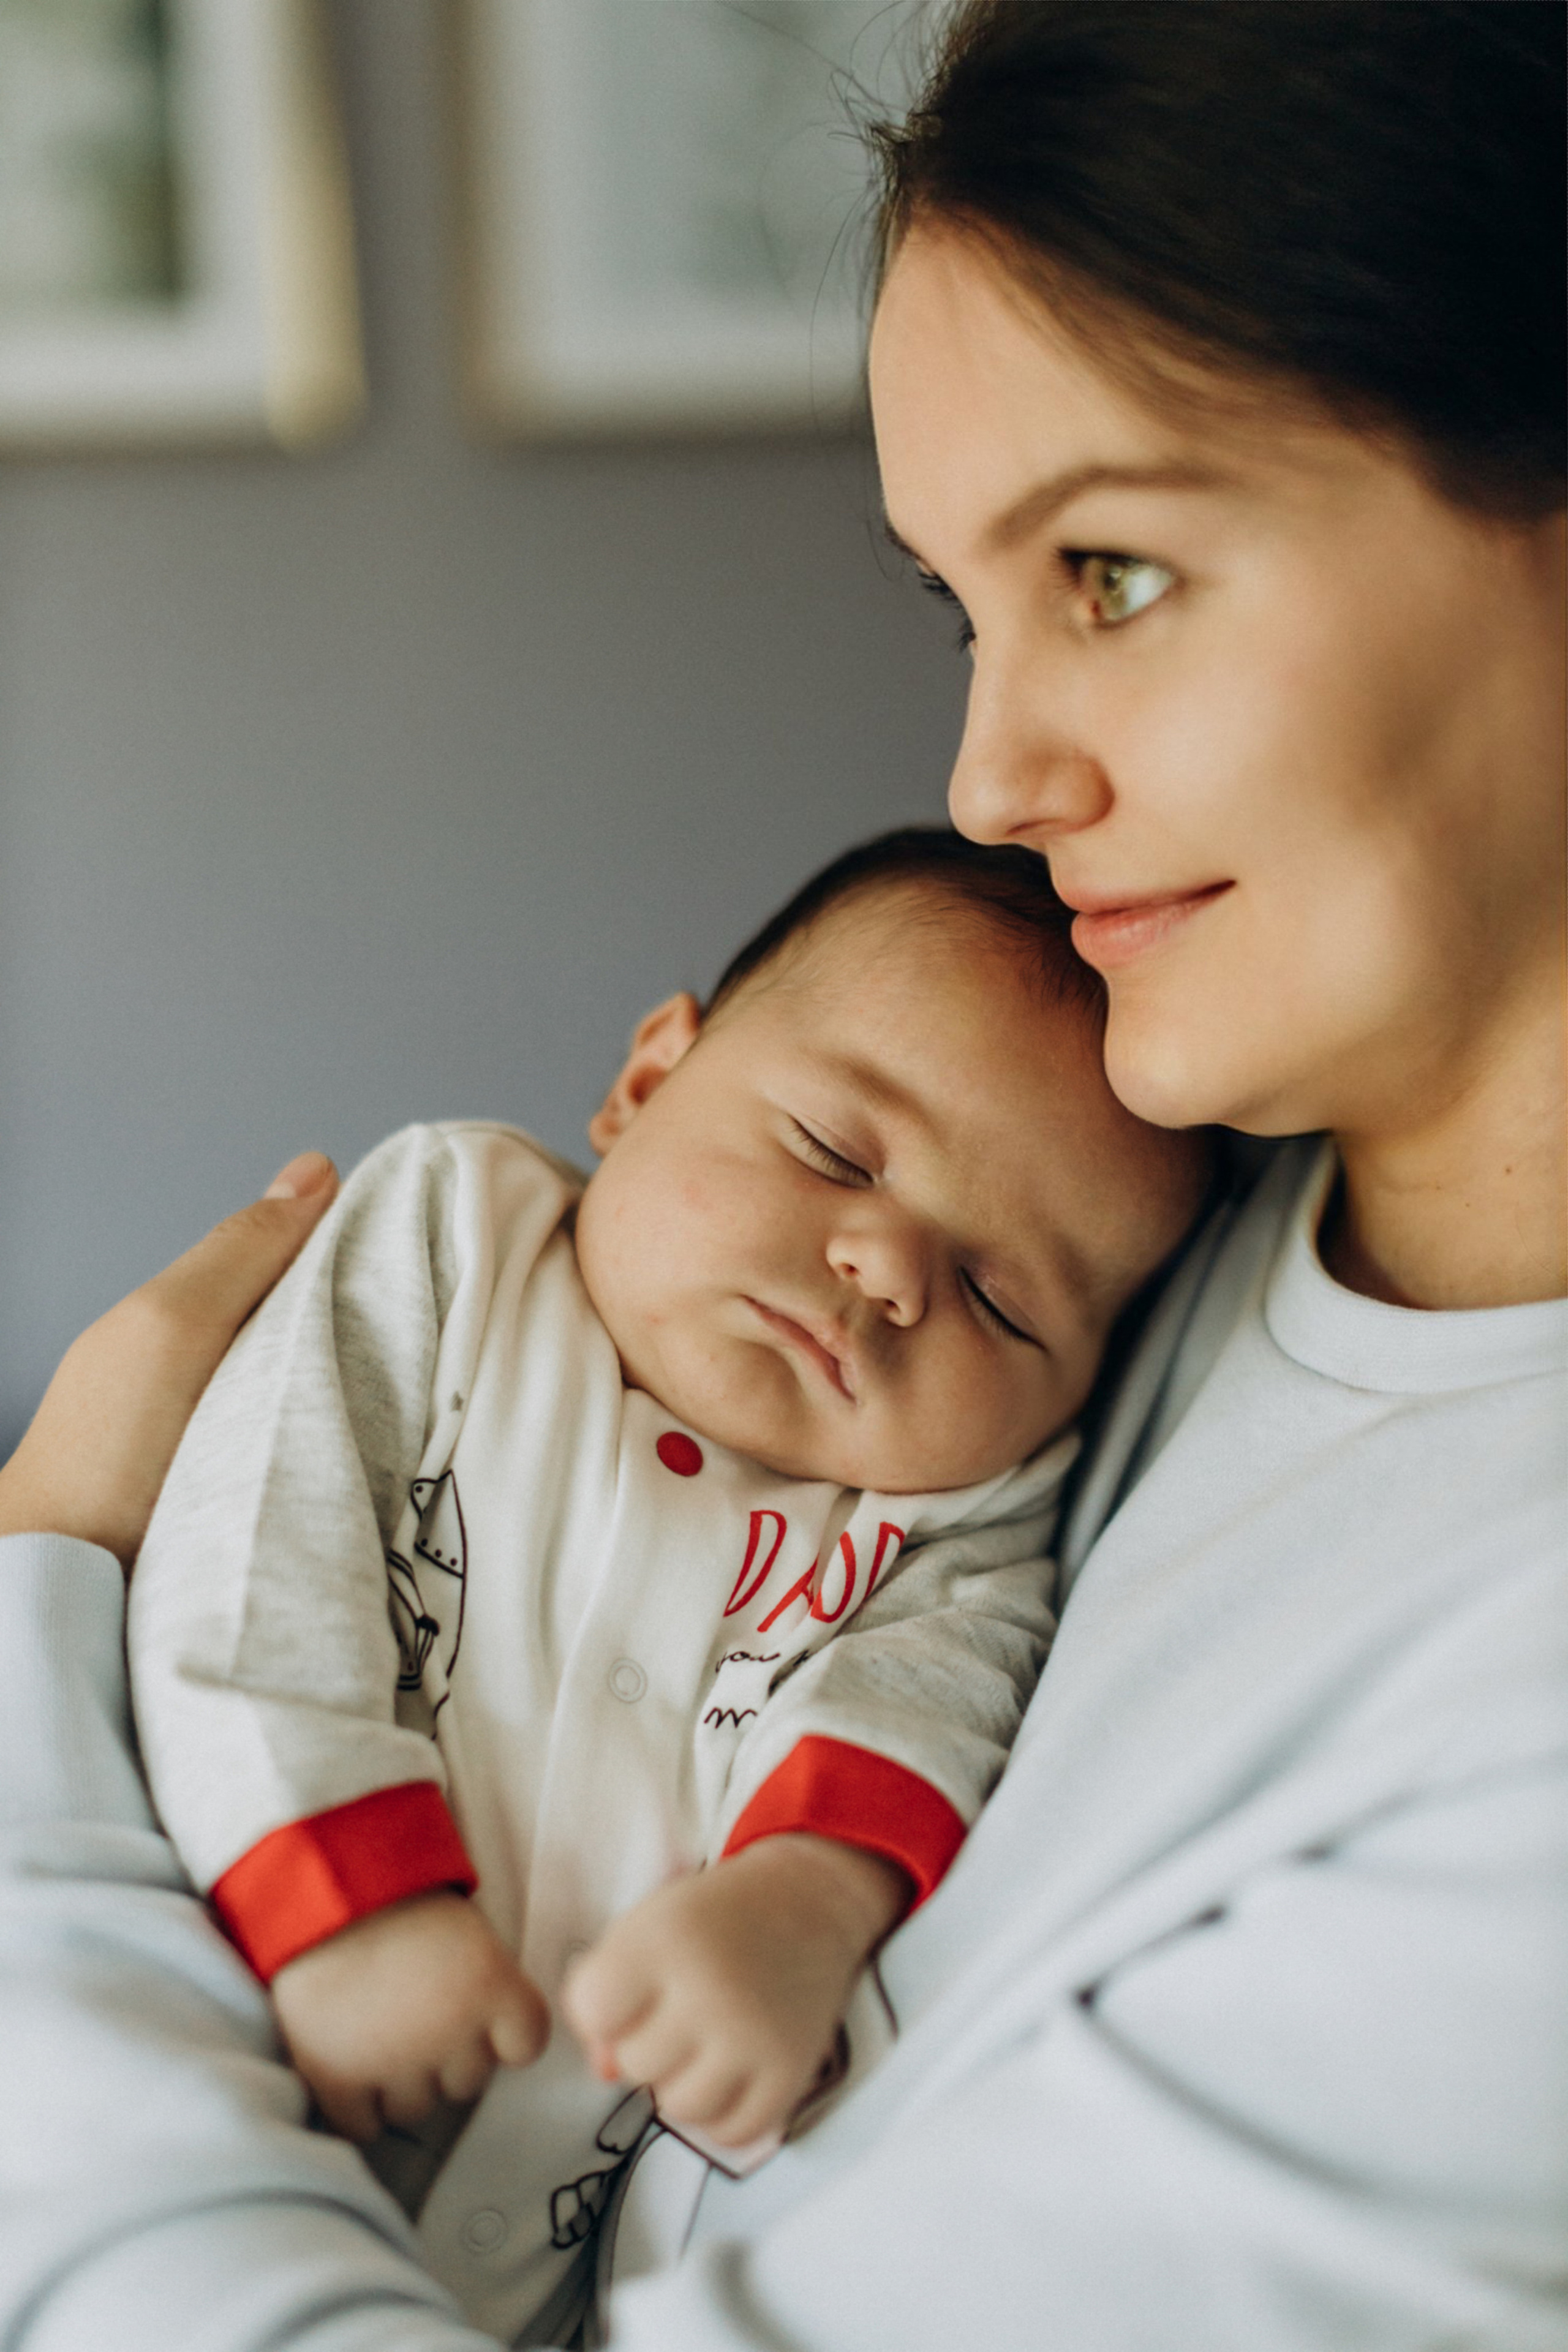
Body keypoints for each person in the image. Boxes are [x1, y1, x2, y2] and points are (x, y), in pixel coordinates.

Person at [1, 4, 1562, 2347]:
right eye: (967, 603)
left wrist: (34, 1626)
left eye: (1113, 573)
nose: (995, 776)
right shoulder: (1192, 1227)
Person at [125, 829, 1207, 2346]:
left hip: (545, 2274)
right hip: (202, 2056)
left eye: (998, 1295)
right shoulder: (456, 1240)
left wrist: (797, 1906)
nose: (888, 1269)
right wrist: (338, 1897)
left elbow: (929, 1707)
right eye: (836, 1152)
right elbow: (256, 1544)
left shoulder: (948, 1523)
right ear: (645, 1086)